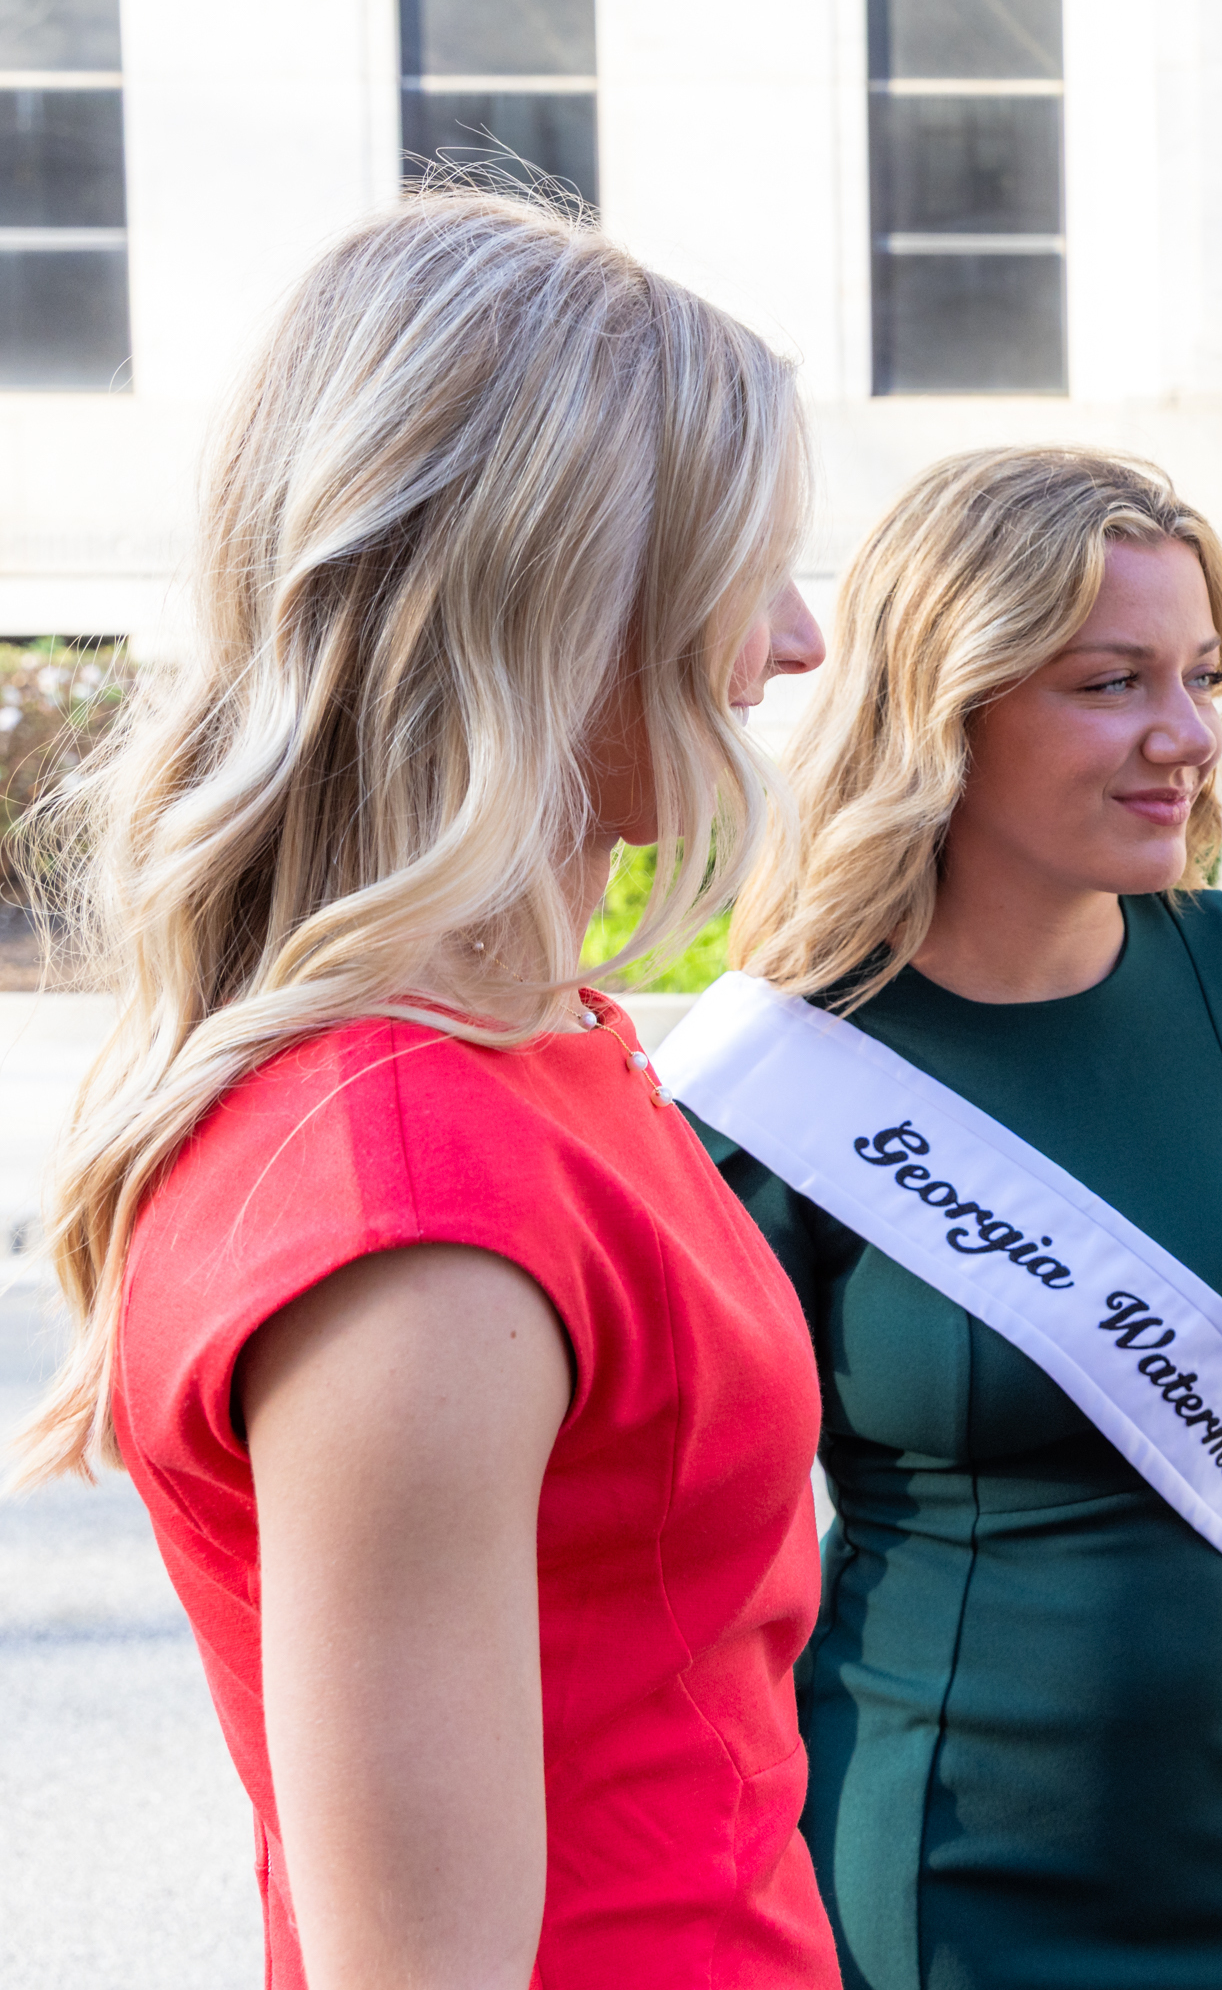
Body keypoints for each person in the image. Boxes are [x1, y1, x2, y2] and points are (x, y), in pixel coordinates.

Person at [2, 195, 838, 1985]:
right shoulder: (417, 1201)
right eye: (750, 566)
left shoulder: (536, 1055)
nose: (799, 639)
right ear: (562, 601)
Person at [677, 446, 1222, 1989]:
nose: (1185, 737)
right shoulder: (778, 1078)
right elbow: (708, 1558)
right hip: (956, 1850)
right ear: (949, 702)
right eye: (1112, 680)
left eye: (1200, 676)